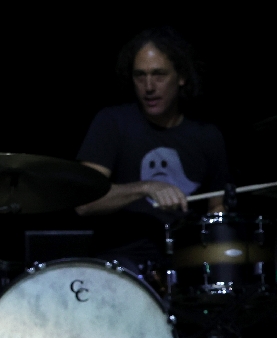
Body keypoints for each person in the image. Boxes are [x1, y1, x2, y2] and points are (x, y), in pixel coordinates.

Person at [75, 26, 230, 272]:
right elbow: (84, 202)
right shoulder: (113, 123)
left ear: (181, 77)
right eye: (140, 76)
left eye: (159, 75)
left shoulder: (207, 136)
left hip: (187, 262)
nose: (148, 87)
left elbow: (216, 209)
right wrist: (146, 187)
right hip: (121, 264)